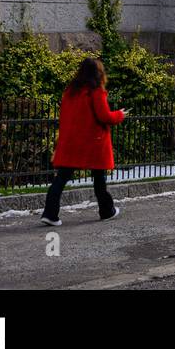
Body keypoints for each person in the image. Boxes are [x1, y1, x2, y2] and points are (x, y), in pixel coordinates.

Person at [40, 57, 128, 226]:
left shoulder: (70, 91)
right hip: (93, 141)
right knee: (99, 177)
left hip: (72, 140)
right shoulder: (96, 91)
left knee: (62, 178)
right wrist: (119, 114)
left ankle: (50, 213)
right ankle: (106, 210)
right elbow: (104, 116)